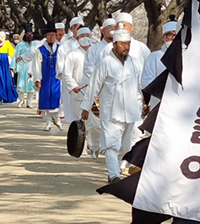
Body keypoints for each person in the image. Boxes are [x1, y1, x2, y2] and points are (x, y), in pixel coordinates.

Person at [81, 30, 143, 183]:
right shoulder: (104, 63)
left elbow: (140, 86)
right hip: (110, 110)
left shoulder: (135, 63)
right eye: (122, 44)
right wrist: (86, 107)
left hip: (130, 110)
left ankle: (118, 167)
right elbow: (93, 86)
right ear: (114, 44)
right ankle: (114, 175)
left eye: (128, 44)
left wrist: (144, 103)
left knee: (125, 146)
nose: (126, 47)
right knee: (110, 144)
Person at [141, 17, 178, 109]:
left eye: (175, 35)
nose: (172, 38)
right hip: (158, 101)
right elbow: (146, 80)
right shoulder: (154, 56)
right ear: (163, 37)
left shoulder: (186, 56)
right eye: (169, 35)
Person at [32, 23, 62, 131]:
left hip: (57, 78)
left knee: (57, 98)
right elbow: (36, 65)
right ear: (45, 36)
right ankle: (48, 121)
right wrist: (37, 79)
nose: (51, 37)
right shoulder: (40, 50)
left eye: (53, 35)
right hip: (45, 78)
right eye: (49, 35)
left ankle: (57, 119)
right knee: (45, 99)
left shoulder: (60, 48)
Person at [61, 27, 92, 126]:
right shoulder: (72, 55)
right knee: (80, 120)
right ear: (78, 39)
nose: (85, 38)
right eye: (82, 36)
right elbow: (66, 73)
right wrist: (73, 86)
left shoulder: (97, 53)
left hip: (94, 93)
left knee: (94, 122)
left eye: (87, 36)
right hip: (79, 92)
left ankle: (92, 141)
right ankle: (83, 141)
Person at [56, 16, 83, 118]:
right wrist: (70, 82)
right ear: (71, 29)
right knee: (72, 114)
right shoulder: (64, 46)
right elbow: (60, 66)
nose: (79, 29)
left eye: (81, 26)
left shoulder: (91, 46)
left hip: (86, 84)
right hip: (70, 85)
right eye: (76, 27)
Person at [11, 30, 38, 108]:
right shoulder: (20, 45)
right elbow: (15, 55)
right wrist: (13, 67)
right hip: (22, 67)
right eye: (28, 34)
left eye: (31, 34)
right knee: (21, 85)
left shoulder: (35, 44)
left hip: (32, 67)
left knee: (31, 85)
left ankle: (29, 102)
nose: (30, 36)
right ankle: (21, 100)